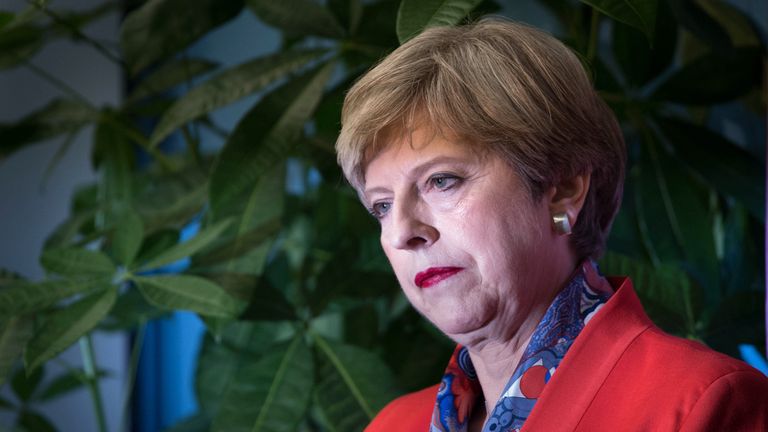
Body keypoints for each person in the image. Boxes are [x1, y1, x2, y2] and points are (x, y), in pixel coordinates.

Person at [335, 18, 768, 432]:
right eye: (382, 206)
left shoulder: (704, 402)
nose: (401, 232)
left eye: (441, 181)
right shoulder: (391, 424)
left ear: (562, 189)